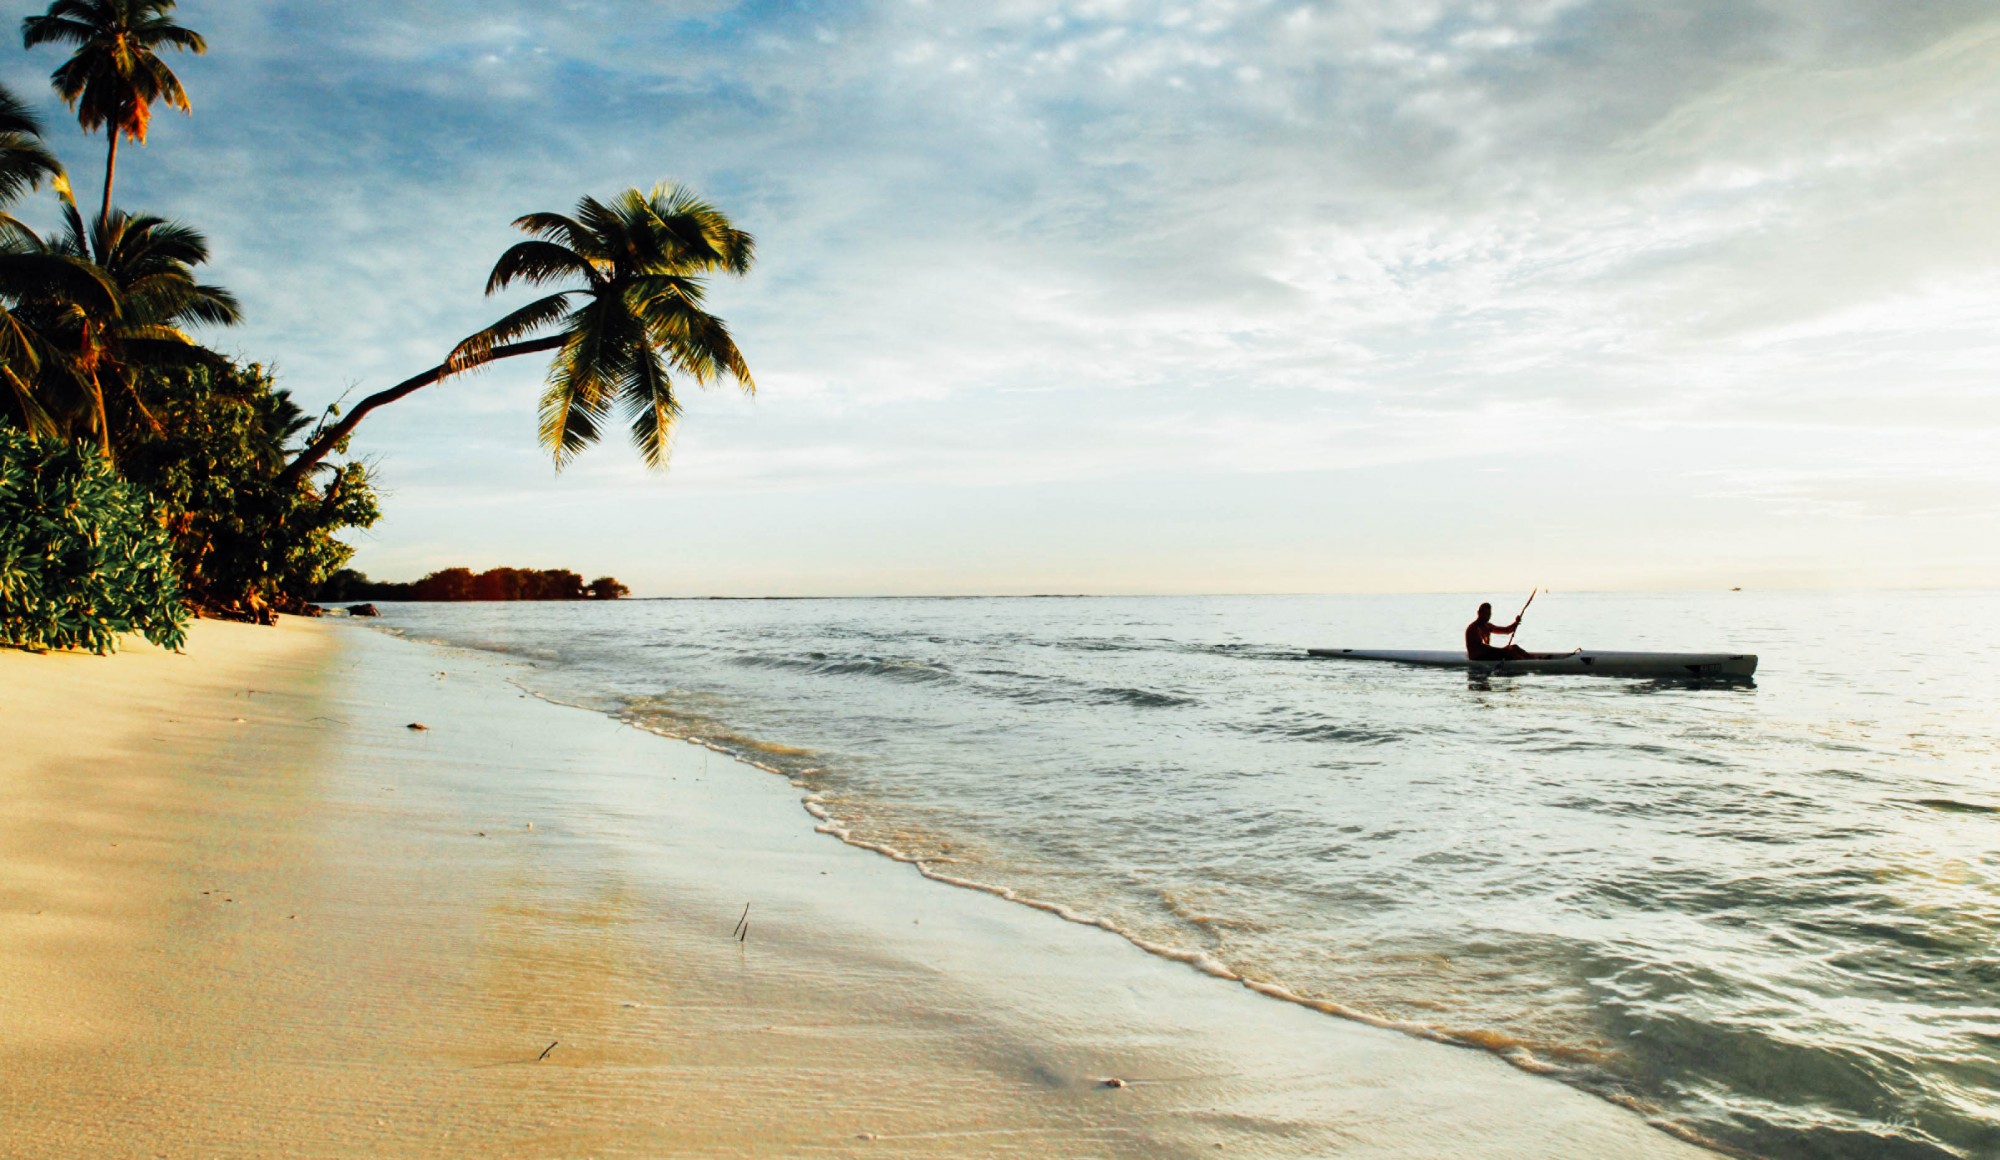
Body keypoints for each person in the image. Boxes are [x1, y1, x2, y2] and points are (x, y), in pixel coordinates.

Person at [1465, 601, 1543, 662]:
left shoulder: (1488, 626)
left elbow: (1507, 630)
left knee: (1514, 647)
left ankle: (1535, 659)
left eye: (1489, 614)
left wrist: (1516, 623)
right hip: (1478, 658)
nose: (1487, 616)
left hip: (1488, 654)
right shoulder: (1473, 629)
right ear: (1478, 613)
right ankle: (1526, 663)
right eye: (1484, 614)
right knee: (1509, 652)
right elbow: (1482, 647)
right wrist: (1502, 650)